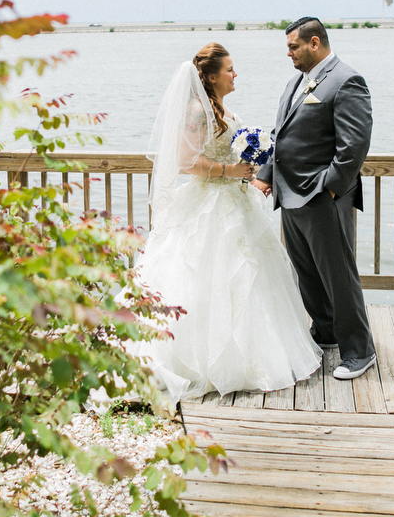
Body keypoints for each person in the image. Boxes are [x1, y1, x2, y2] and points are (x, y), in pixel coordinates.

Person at [135, 43, 322, 402]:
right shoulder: (195, 110)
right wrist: (230, 170)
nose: (235, 74)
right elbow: (185, 161)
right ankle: (198, 359)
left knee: (248, 274)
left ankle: (254, 351)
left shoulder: (220, 107)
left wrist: (249, 164)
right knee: (205, 274)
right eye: (230, 69)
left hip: (234, 198)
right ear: (209, 76)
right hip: (208, 202)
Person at [253, 17, 376, 380]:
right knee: (307, 274)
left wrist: (330, 188)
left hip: (323, 198)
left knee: (338, 277)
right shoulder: (296, 83)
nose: (288, 53)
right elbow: (282, 135)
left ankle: (359, 351)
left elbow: (354, 146)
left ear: (315, 43)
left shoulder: (346, 80)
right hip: (289, 196)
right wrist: (265, 176)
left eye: (293, 47)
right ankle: (325, 333)